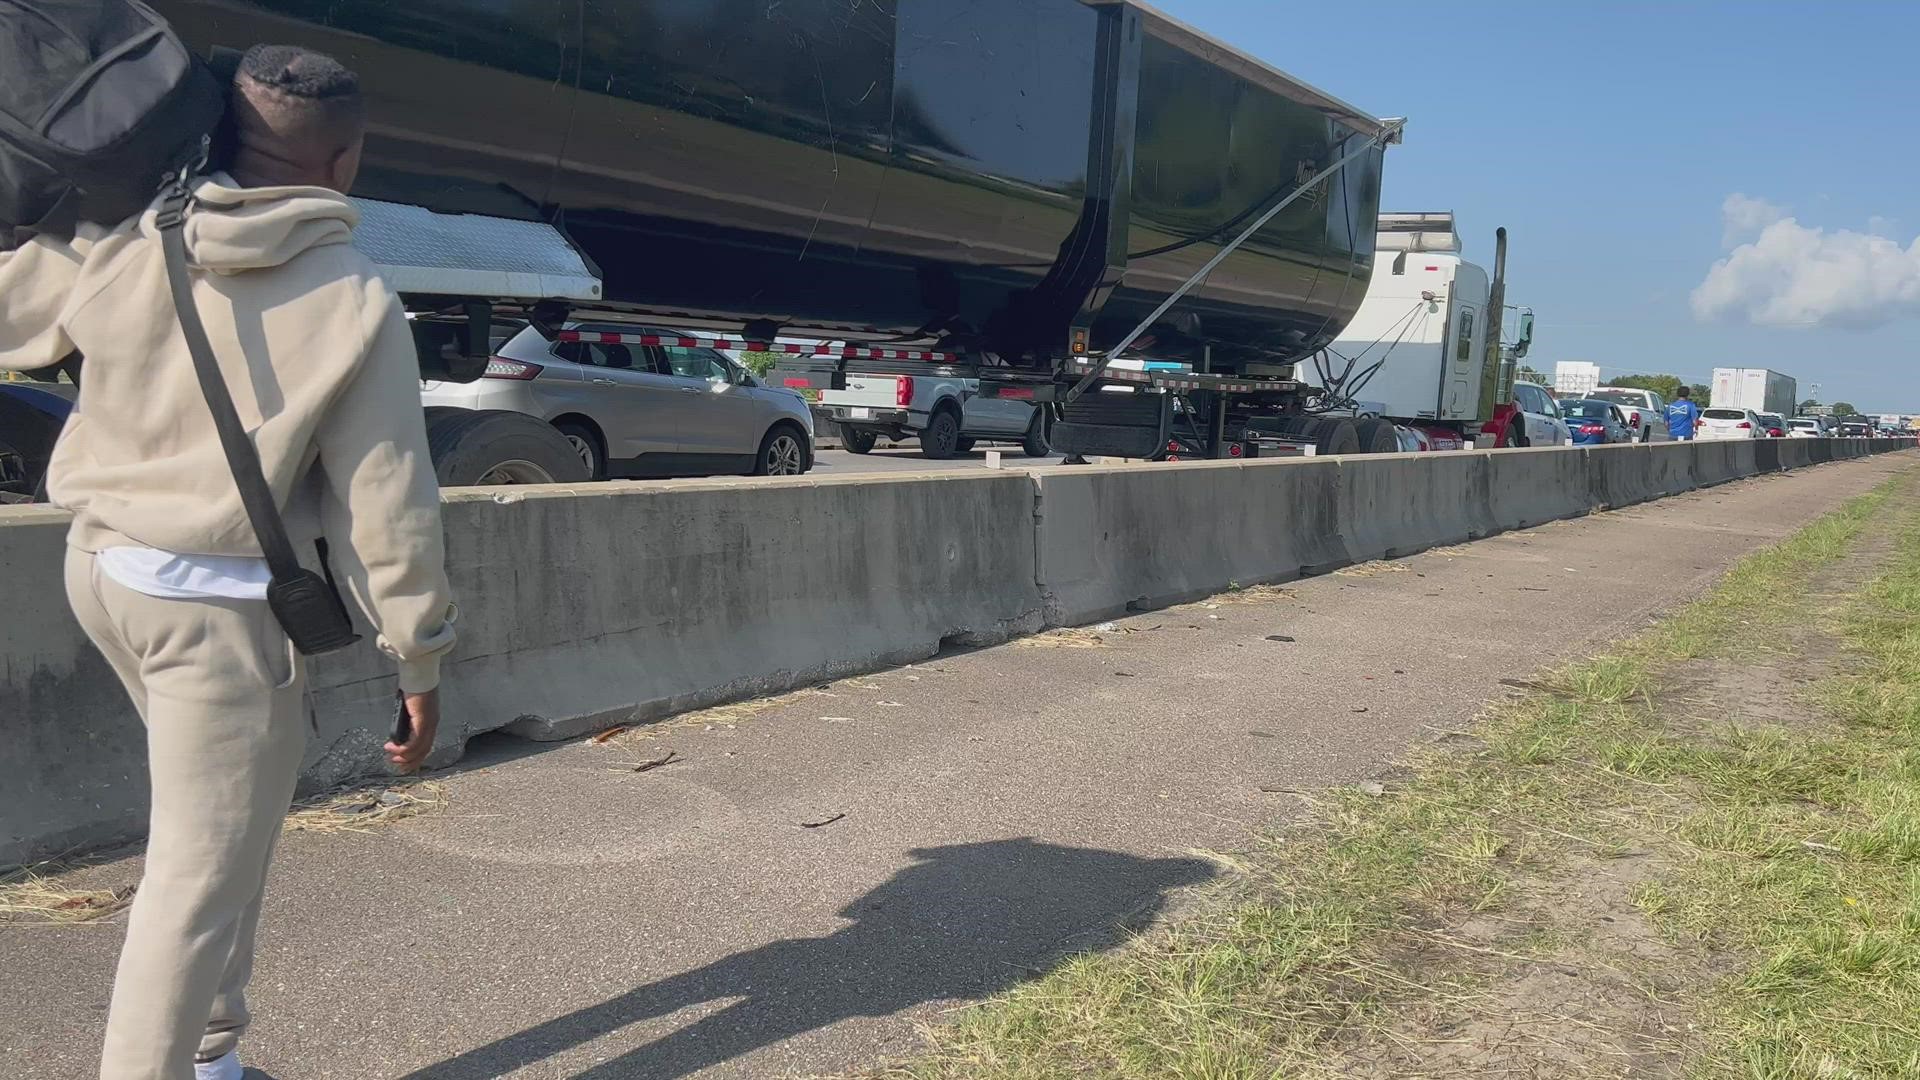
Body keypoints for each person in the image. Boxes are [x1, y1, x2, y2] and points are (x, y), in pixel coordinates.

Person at [0, 46, 455, 1080]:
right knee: (194, 881)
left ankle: (212, 1056)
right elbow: (389, 506)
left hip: (105, 573)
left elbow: (14, 321)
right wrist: (418, 659)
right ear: (344, 163)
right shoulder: (352, 296)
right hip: (219, 615)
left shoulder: (127, 235)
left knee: (223, 834)